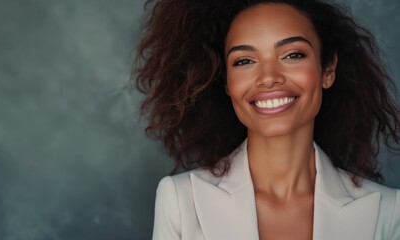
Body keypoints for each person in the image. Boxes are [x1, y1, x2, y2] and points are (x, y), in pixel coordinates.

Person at [134, 0, 400, 239]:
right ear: (227, 82)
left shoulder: (389, 211)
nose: (269, 77)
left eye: (292, 55)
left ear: (327, 70)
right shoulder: (180, 200)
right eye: (244, 60)